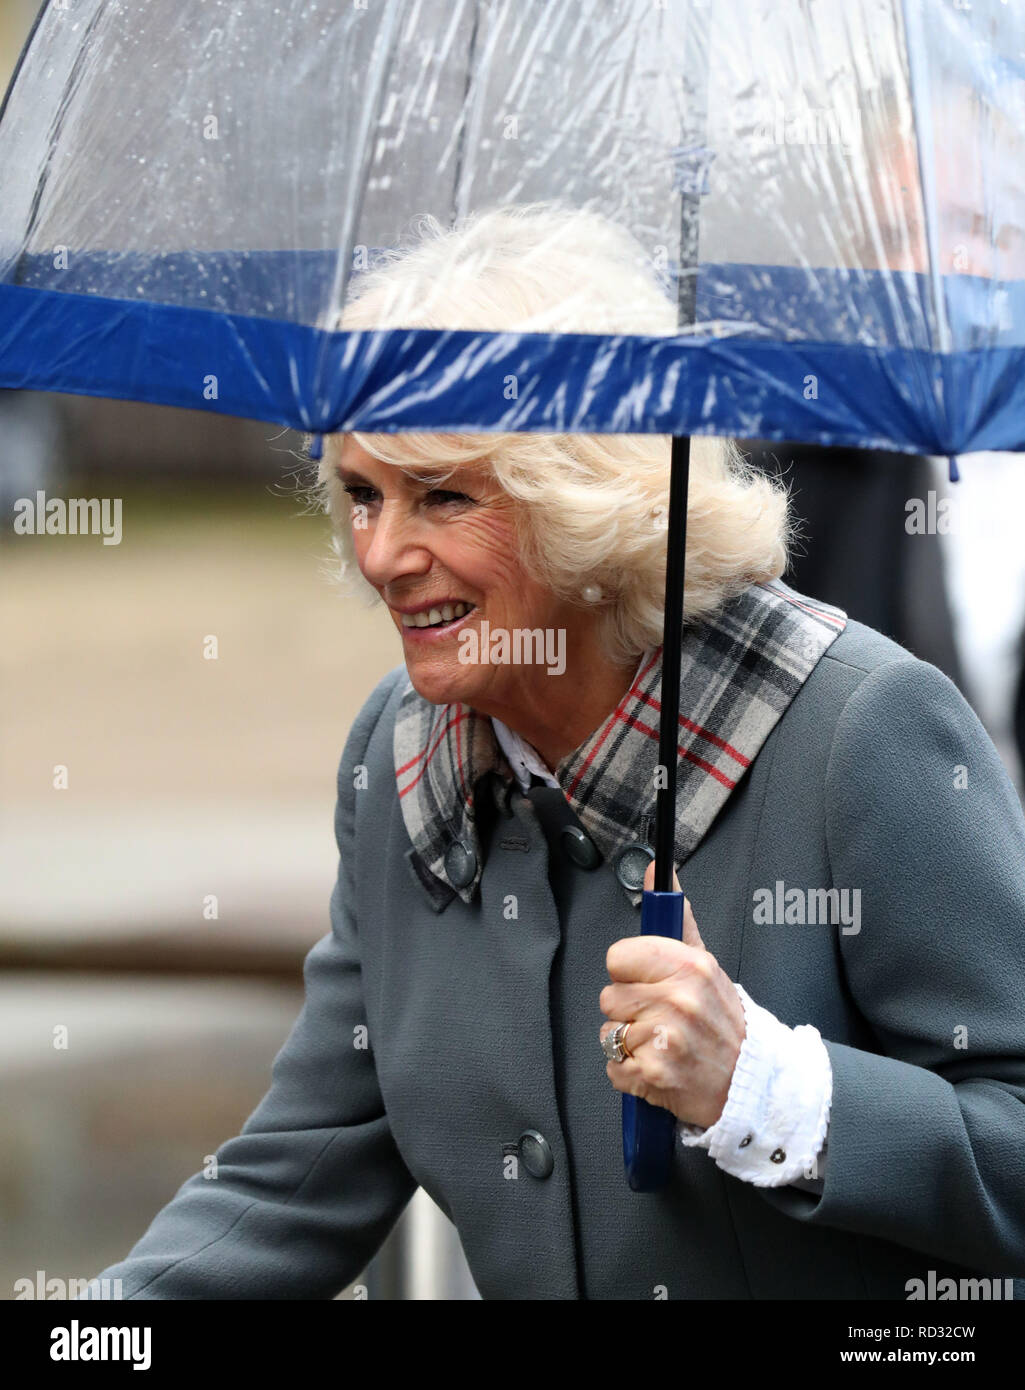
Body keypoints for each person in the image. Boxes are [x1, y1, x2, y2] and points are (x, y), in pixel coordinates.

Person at [87, 204, 1025, 1299]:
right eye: (359, 494)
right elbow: (300, 1168)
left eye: (442, 493)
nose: (383, 553)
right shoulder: (397, 755)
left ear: (582, 497)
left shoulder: (862, 732)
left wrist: (766, 1090)